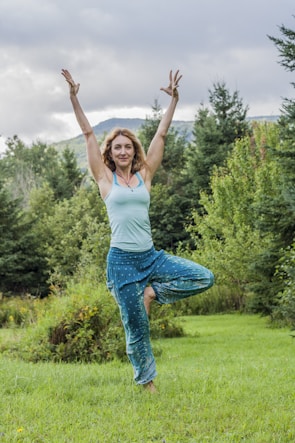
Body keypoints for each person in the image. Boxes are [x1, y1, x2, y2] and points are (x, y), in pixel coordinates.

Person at [61, 68, 214, 393]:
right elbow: (89, 134)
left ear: (134, 151)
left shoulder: (145, 177)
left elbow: (160, 136)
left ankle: (152, 293)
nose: (123, 151)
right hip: (122, 264)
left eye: (128, 147)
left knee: (204, 276)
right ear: (110, 154)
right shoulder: (105, 180)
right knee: (137, 326)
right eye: (117, 147)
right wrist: (74, 98)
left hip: (151, 257)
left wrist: (174, 101)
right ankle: (147, 383)